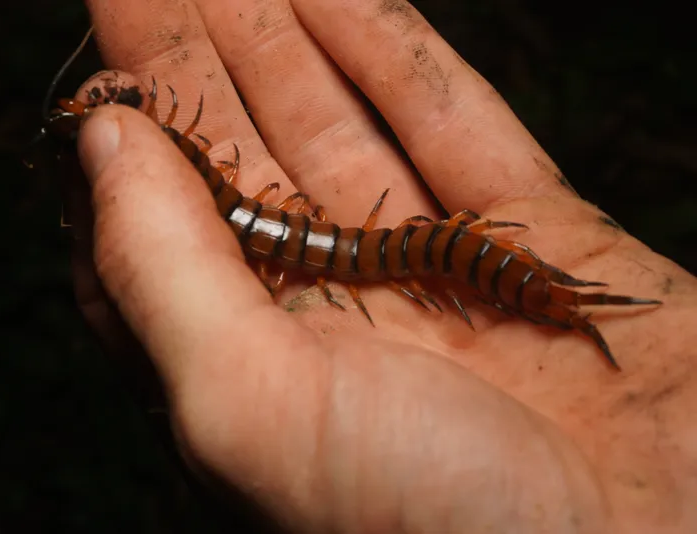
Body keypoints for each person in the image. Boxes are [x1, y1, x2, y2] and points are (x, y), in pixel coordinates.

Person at [62, 0, 697, 531]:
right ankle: (549, 295)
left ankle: (546, 295)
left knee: (438, 252)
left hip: (412, 256)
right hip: (369, 253)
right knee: (430, 253)